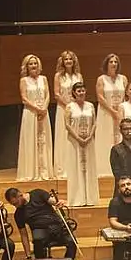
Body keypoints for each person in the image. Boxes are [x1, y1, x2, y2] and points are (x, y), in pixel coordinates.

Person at [6, 186, 76, 260]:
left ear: (20, 195)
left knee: (71, 241)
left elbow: (53, 201)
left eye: (16, 203)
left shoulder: (38, 193)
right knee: (38, 240)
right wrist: (28, 255)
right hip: (40, 229)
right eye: (14, 205)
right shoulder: (18, 214)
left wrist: (60, 202)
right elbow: (24, 235)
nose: (16, 206)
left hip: (56, 225)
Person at [16, 54, 53, 181]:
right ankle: (32, 171)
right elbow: (24, 99)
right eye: (31, 64)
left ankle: (45, 171)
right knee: (31, 141)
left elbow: (48, 94)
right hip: (31, 113)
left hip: (43, 112)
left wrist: (44, 108)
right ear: (26, 66)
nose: (33, 66)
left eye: (35, 63)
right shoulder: (24, 80)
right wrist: (37, 109)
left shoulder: (44, 79)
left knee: (44, 141)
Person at [52, 51, 83, 181]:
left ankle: (76, 165)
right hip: (63, 108)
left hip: (77, 109)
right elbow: (57, 94)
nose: (68, 61)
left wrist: (76, 104)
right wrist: (68, 104)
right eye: (66, 59)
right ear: (62, 62)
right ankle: (63, 167)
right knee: (63, 137)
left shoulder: (78, 75)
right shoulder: (58, 76)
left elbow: (81, 90)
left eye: (70, 59)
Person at [95, 53, 127, 177]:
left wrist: (119, 110)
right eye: (111, 62)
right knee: (106, 138)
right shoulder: (101, 79)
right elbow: (100, 97)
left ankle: (121, 167)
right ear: (106, 64)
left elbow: (125, 96)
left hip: (120, 112)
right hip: (106, 113)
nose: (114, 64)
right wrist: (112, 110)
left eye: (115, 62)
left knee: (119, 138)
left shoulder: (123, 78)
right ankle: (105, 168)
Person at [109, 119, 131, 197]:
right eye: (126, 129)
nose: (129, 131)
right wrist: (130, 181)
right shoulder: (116, 149)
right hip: (123, 189)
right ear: (121, 131)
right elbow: (116, 171)